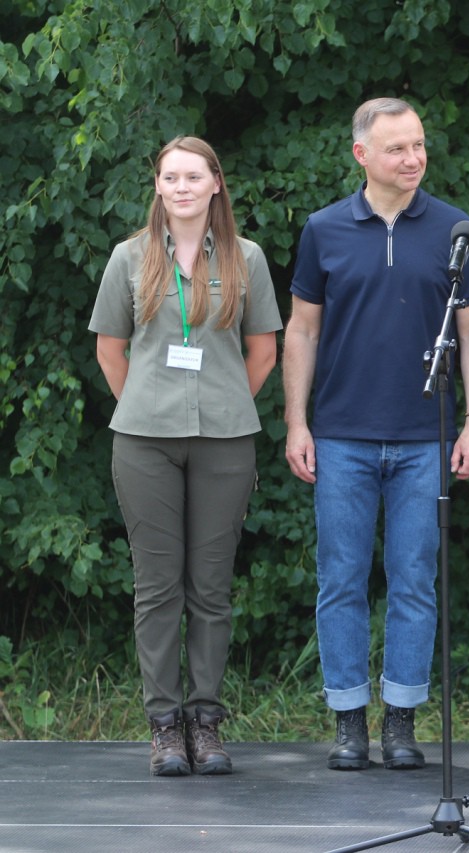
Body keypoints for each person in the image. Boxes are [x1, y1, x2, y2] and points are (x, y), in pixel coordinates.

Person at [283, 97, 469, 771]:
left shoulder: (455, 230)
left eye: (418, 144)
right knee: (341, 580)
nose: (412, 158)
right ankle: (349, 721)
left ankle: (401, 718)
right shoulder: (324, 229)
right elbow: (302, 330)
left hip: (425, 437)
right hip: (341, 435)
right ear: (362, 155)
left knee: (414, 582)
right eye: (397, 147)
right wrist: (296, 422)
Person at [89, 136, 282, 776]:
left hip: (225, 442)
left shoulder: (246, 257)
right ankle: (165, 725)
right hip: (144, 442)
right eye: (170, 177)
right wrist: (148, 406)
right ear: (158, 186)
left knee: (211, 588)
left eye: (193, 177)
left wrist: (222, 403)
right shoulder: (129, 257)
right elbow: (110, 350)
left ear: (215, 183)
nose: (181, 187)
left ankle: (205, 721)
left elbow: (263, 352)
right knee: (156, 587)